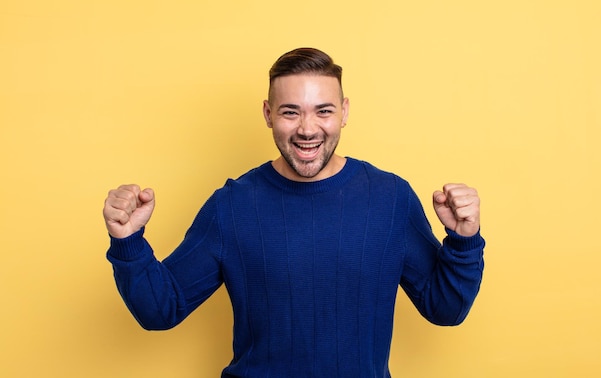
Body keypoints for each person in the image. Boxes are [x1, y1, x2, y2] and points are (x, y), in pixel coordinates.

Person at [103, 47, 485, 378]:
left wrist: (463, 241)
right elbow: (161, 310)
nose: (307, 129)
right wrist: (128, 242)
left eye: (323, 111)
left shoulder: (391, 198)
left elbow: (445, 309)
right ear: (268, 114)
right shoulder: (232, 205)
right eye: (290, 112)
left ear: (344, 112)